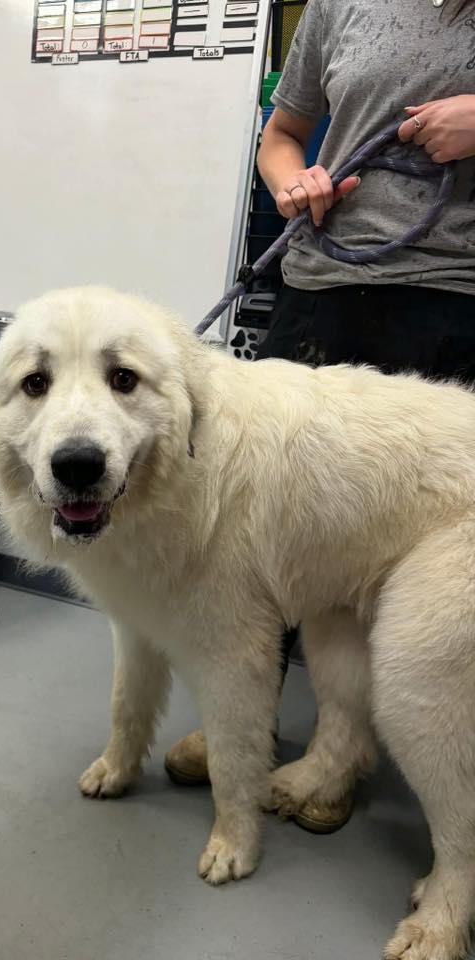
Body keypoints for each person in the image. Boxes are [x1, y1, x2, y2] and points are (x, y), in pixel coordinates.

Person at [164, 0, 475, 832]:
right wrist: (288, 179)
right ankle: (248, 729)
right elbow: (282, 132)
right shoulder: (340, 4)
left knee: (380, 553)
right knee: (270, 540)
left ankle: (339, 758)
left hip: (447, 299)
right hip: (320, 289)